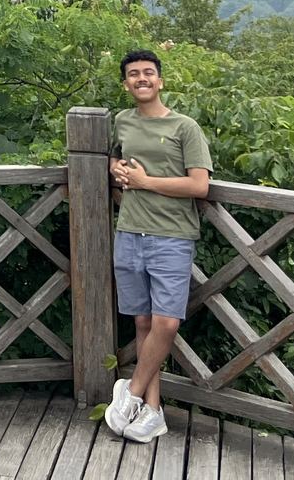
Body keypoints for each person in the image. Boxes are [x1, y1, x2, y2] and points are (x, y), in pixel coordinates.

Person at [103, 48, 212, 445]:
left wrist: (148, 182)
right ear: (126, 83)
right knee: (144, 323)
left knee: (167, 322)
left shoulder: (185, 127)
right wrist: (116, 169)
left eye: (149, 73)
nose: (141, 79)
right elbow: (119, 162)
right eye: (133, 74)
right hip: (130, 231)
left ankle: (129, 393)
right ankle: (153, 413)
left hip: (173, 236)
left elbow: (199, 185)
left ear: (160, 80)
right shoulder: (122, 121)